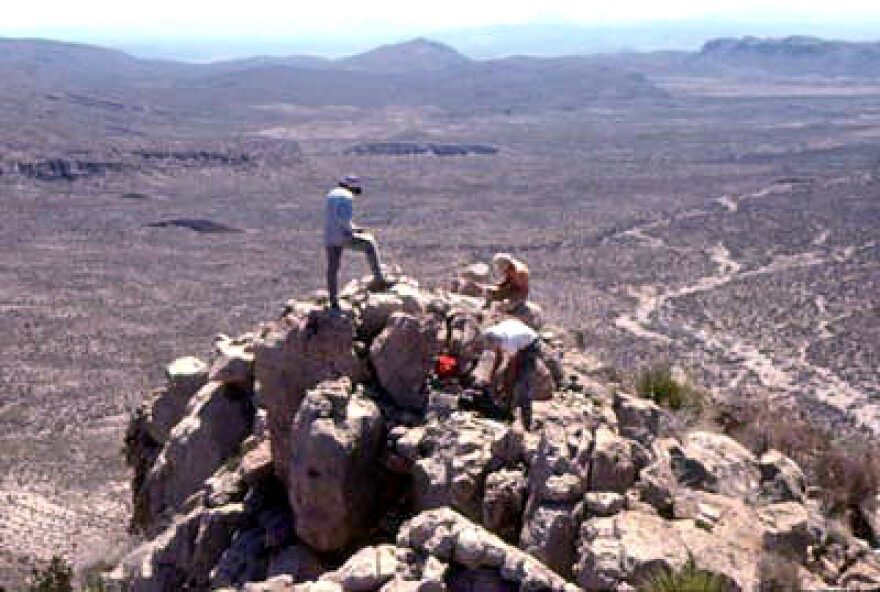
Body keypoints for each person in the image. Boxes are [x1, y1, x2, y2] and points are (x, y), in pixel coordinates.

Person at [324, 175, 391, 309]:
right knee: (370, 243)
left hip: (329, 237)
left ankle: (333, 300)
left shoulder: (331, 194)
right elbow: (343, 219)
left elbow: (334, 217)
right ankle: (379, 279)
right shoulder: (347, 196)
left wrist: (354, 227)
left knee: (332, 269)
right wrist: (352, 231)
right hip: (343, 236)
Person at [471, 317, 541, 430]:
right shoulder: (490, 334)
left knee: (523, 383)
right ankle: (505, 403)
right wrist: (491, 379)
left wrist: (507, 388)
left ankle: (527, 423)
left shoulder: (509, 343)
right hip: (515, 332)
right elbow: (498, 359)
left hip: (530, 345)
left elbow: (512, 371)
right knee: (503, 378)